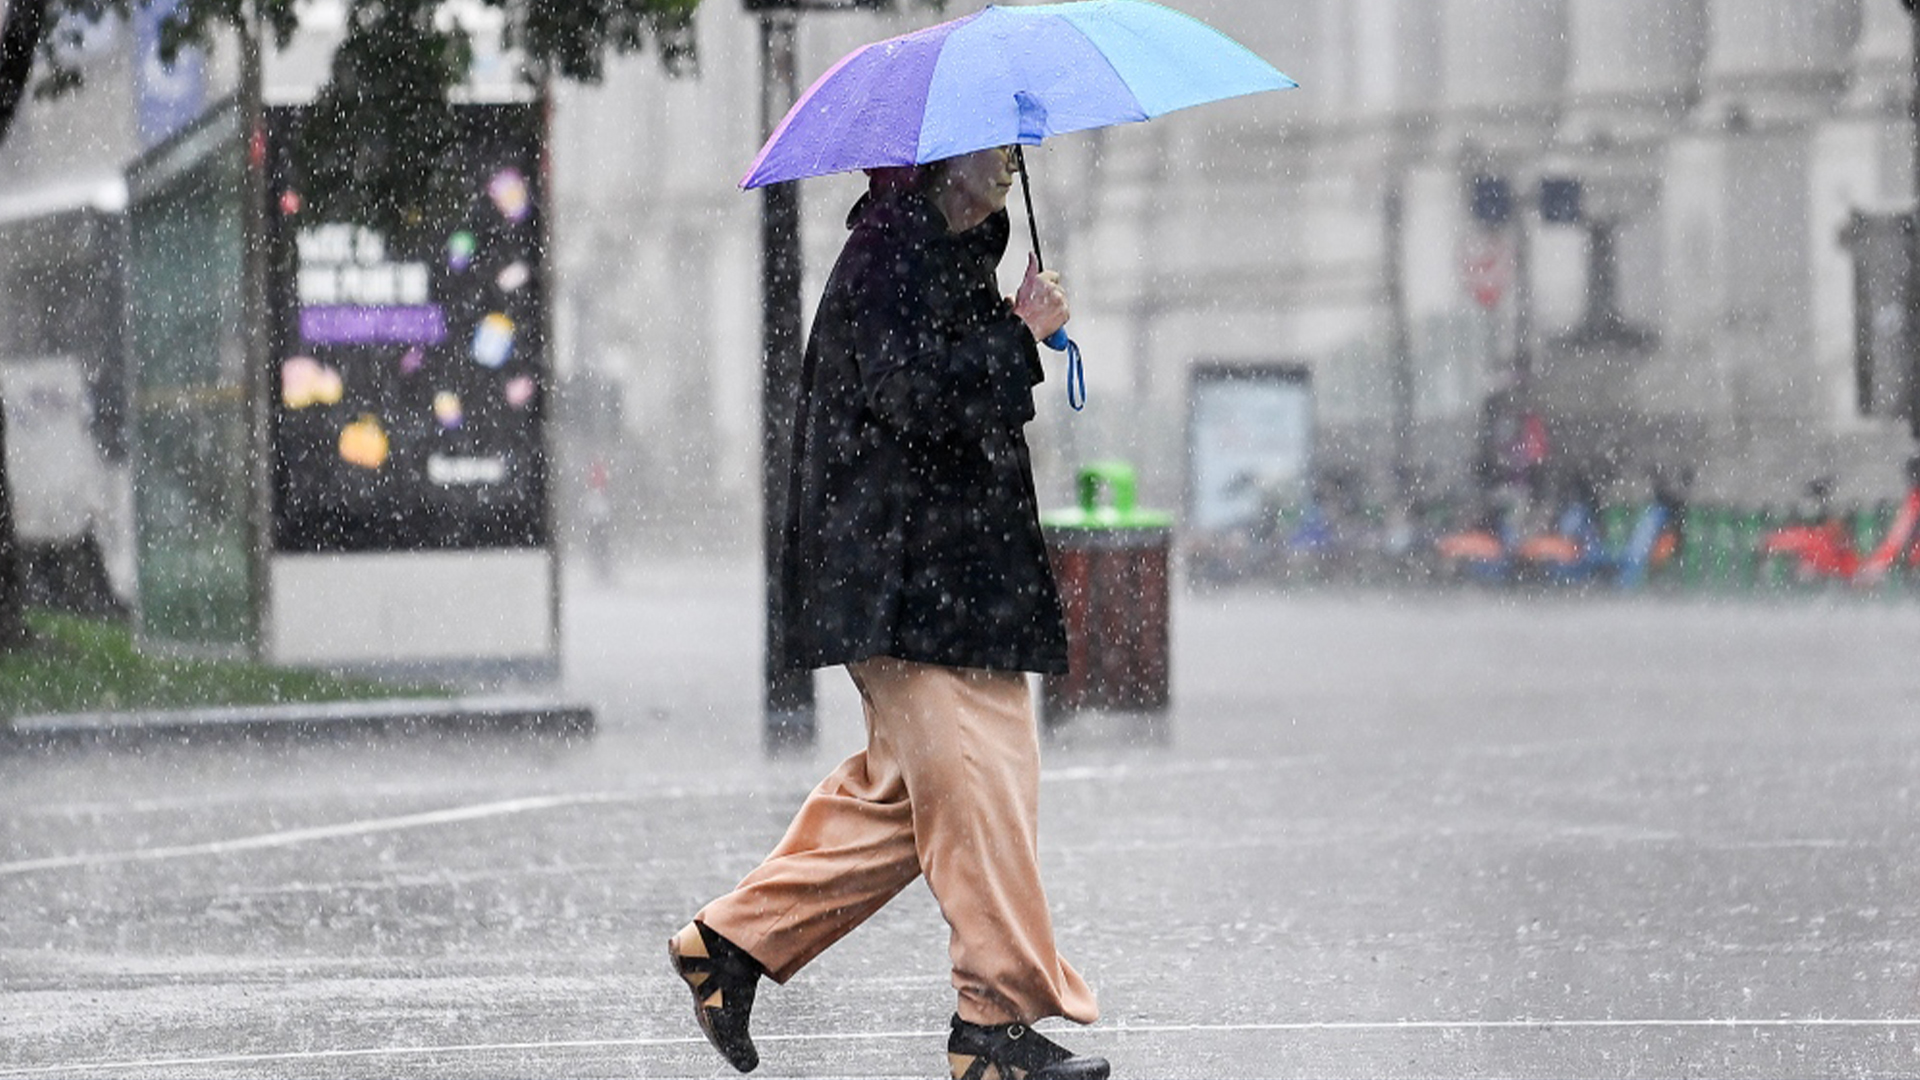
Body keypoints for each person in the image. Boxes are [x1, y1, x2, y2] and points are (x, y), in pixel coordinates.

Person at [667, 144, 1107, 1080]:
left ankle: (730, 947)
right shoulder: (887, 255)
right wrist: (1019, 335)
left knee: (909, 801)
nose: (1012, 168)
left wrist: (1012, 328)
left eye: (1017, 151)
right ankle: (989, 1030)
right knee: (972, 793)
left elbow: (946, 398)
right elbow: (910, 400)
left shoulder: (946, 255)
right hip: (907, 583)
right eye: (997, 150)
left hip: (951, 584)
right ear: (945, 162)